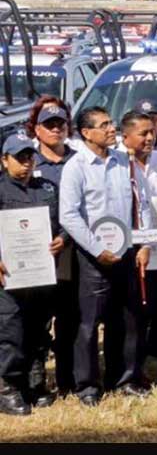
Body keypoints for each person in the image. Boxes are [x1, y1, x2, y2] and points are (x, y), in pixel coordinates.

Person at [59, 107, 154, 405]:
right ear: (86, 133)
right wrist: (97, 249)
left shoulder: (123, 162)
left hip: (125, 254)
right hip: (94, 258)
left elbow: (144, 203)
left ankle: (123, 378)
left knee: (125, 320)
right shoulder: (76, 167)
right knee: (89, 325)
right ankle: (87, 386)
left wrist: (145, 243)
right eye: (104, 125)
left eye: (111, 123)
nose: (111, 128)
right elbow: (69, 216)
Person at [0, 133, 65, 415]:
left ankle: (35, 383)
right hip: (8, 277)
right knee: (10, 331)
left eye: (30, 156)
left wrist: (63, 238)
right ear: (4, 160)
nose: (26, 163)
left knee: (39, 330)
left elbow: (65, 220)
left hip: (41, 275)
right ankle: (7, 388)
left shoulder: (47, 188)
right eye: (19, 158)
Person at [25, 97, 77, 396]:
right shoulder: (27, 160)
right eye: (49, 124)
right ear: (36, 128)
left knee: (71, 320)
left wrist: (67, 237)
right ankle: (35, 383)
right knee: (37, 323)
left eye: (61, 123)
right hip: (36, 254)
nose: (56, 129)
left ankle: (68, 380)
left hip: (72, 253)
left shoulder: (78, 160)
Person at [118, 111, 157, 363]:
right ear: (126, 137)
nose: (150, 138)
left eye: (152, 132)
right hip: (128, 241)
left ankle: (155, 341)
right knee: (133, 303)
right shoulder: (117, 162)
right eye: (143, 134)